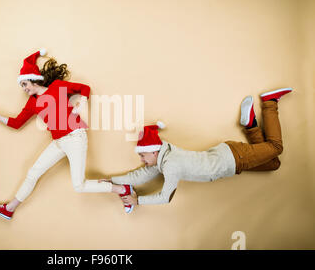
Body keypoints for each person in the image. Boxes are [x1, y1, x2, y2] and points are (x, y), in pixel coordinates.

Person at [0, 49, 131, 220]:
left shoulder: (57, 87)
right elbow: (16, 123)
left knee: (79, 185)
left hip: (75, 137)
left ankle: (123, 189)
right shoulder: (31, 104)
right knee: (33, 173)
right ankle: (9, 209)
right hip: (58, 142)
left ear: (34, 80)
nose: (24, 89)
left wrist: (81, 105)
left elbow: (85, 88)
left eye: (25, 84)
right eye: (22, 86)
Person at [103, 88, 293, 209]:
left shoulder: (171, 165)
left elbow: (165, 196)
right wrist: (110, 180)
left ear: (153, 151)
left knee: (276, 147)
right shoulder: (162, 156)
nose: (142, 160)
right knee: (273, 164)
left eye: (143, 156)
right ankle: (250, 124)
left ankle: (270, 103)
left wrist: (139, 201)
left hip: (236, 157)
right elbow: (138, 176)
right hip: (233, 163)